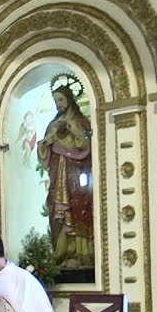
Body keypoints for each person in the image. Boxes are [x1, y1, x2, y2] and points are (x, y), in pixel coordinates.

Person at [36, 86, 94, 268]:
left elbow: (88, 147)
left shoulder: (80, 122)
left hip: (76, 174)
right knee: (57, 210)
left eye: (61, 100)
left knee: (77, 209)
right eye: (55, 101)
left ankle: (81, 255)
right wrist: (46, 143)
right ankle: (61, 254)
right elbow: (43, 152)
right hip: (57, 174)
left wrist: (77, 133)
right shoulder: (53, 125)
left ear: (69, 99)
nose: (58, 104)